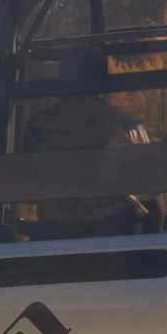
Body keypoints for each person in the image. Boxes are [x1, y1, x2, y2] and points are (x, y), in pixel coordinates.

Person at [20, 47, 150, 236]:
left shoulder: (40, 126)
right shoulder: (126, 124)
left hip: (56, 234)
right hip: (115, 232)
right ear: (102, 80)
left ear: (62, 77)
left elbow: (26, 192)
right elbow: (151, 188)